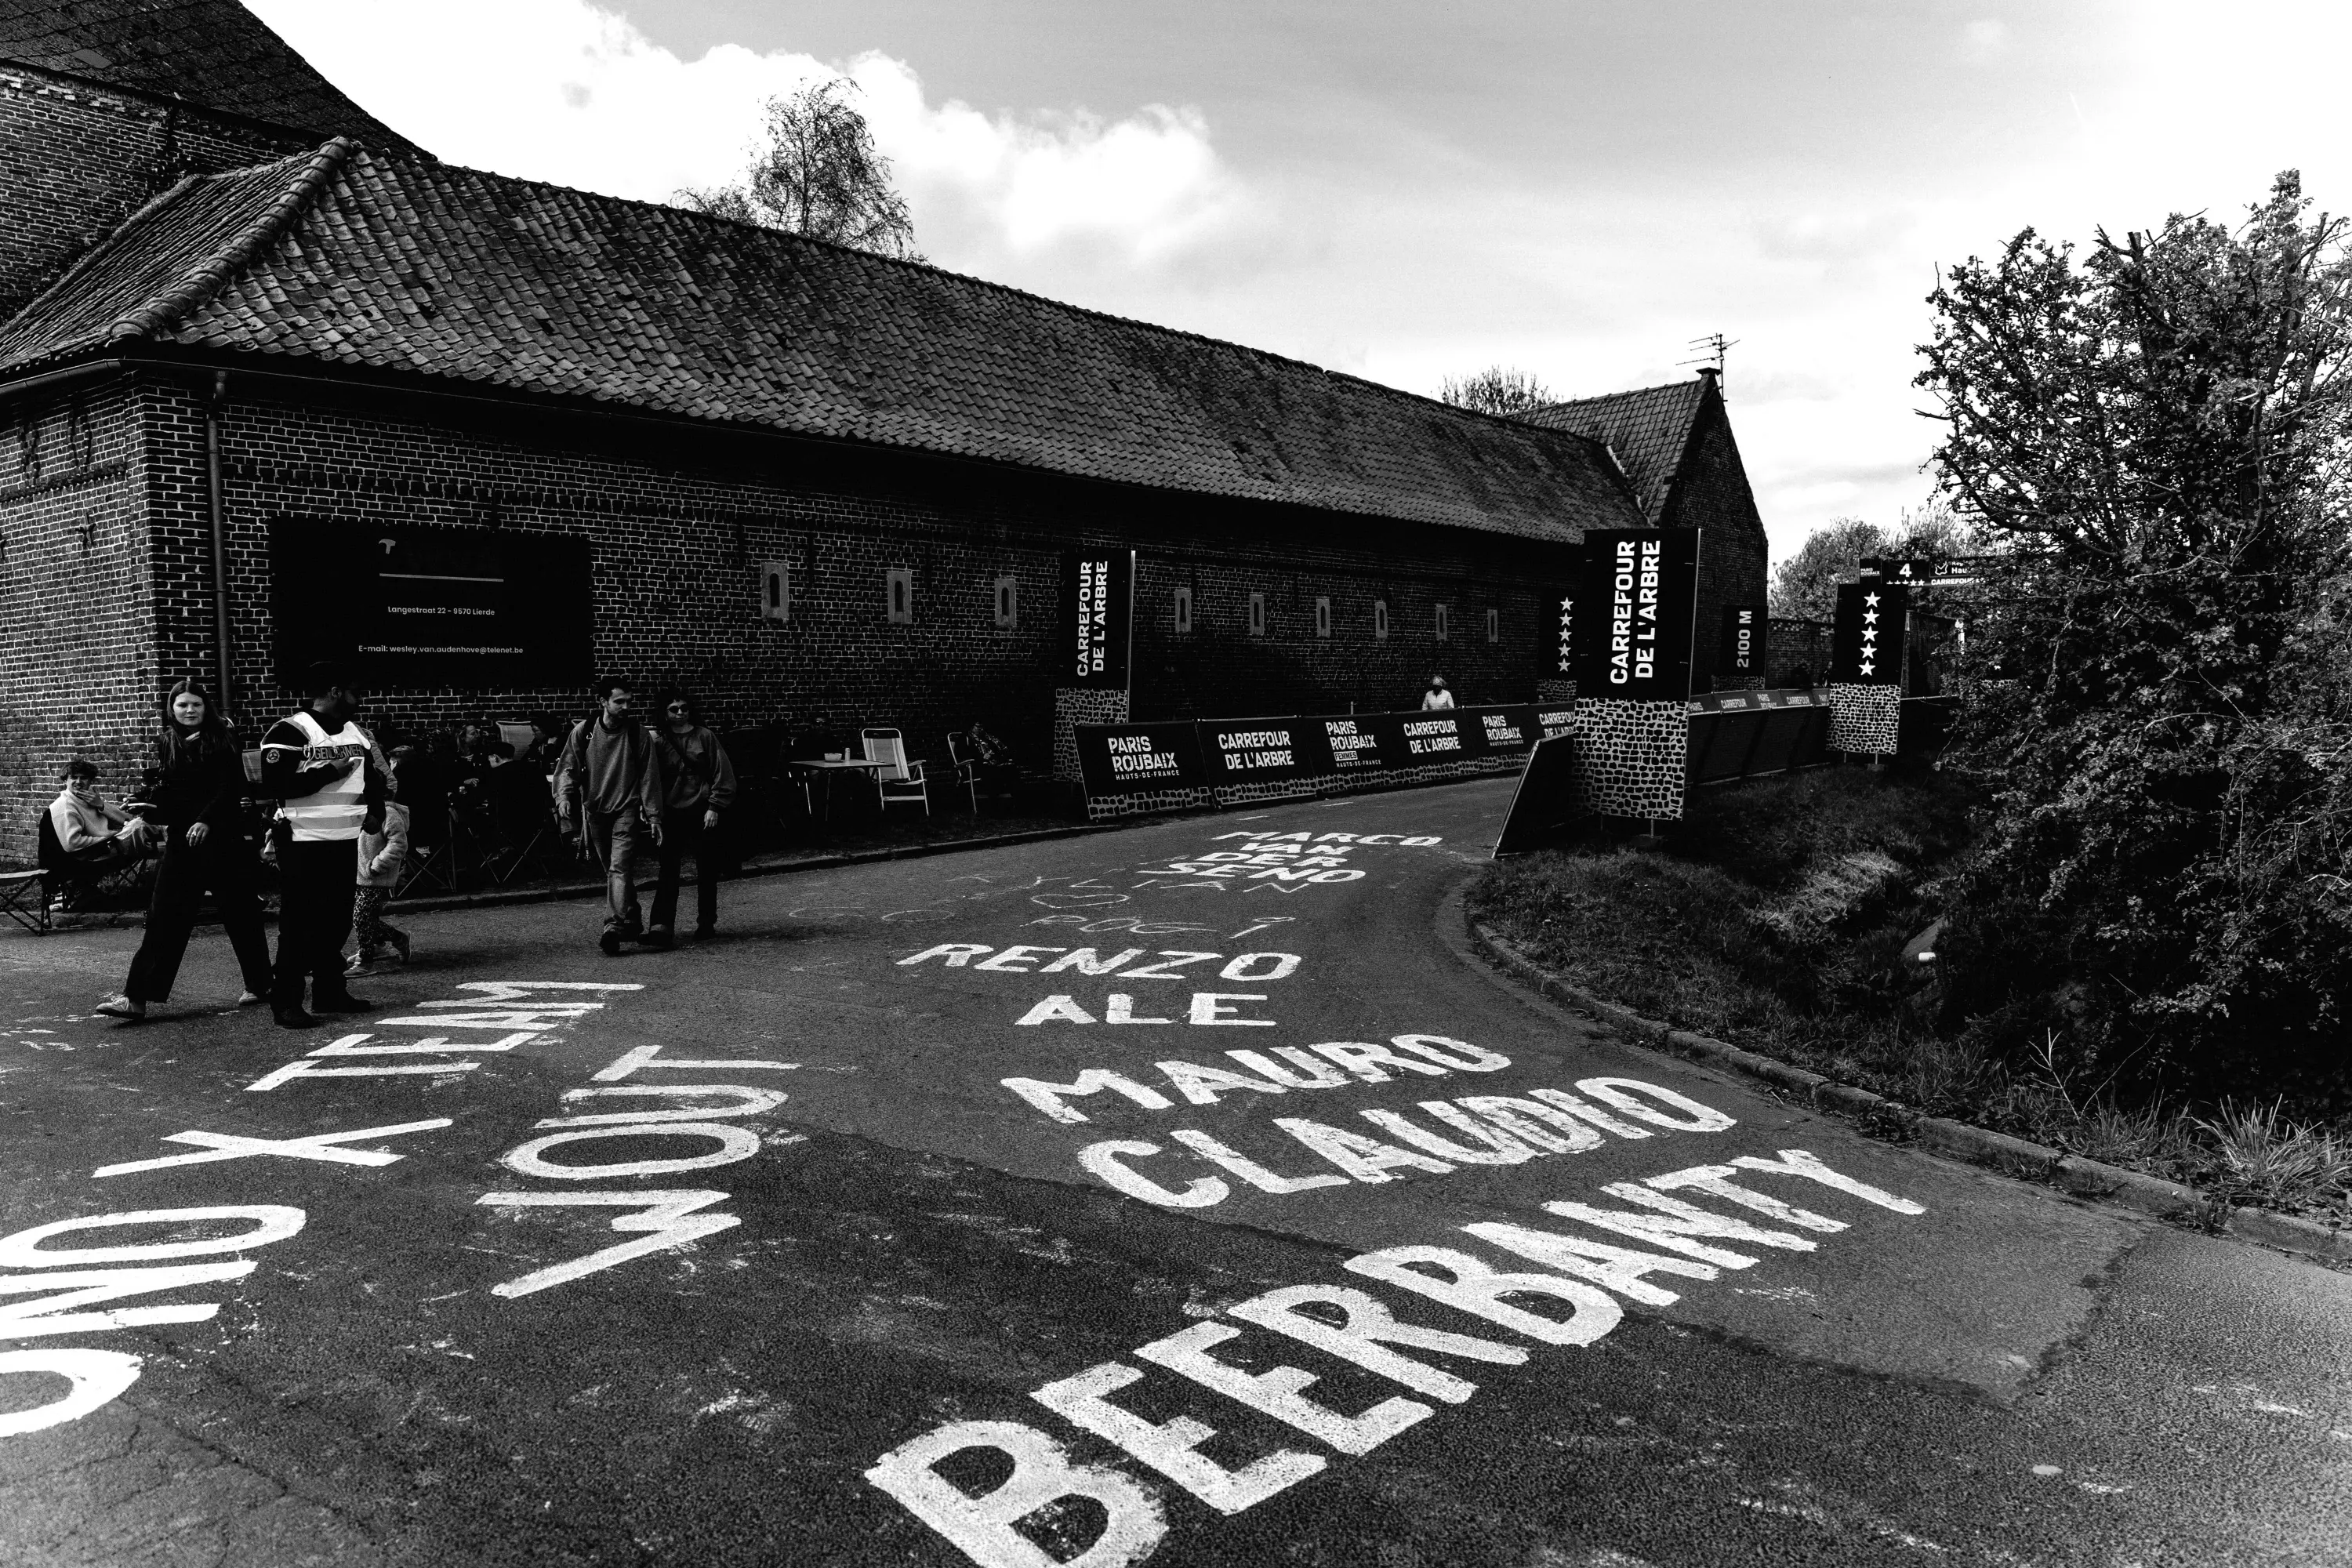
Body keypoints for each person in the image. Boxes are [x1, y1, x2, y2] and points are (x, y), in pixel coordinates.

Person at [94, 681, 273, 1021]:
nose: (189, 711)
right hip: (183, 841)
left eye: (196, 705)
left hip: (223, 839)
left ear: (207, 708)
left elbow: (230, 786)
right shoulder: (169, 742)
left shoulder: (223, 738)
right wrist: (151, 805)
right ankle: (136, 999)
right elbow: (177, 793)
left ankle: (261, 984)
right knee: (164, 916)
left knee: (241, 914)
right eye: (182, 706)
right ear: (172, 709)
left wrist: (206, 820)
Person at [260, 663, 386, 1029]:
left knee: (334, 922)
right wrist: (332, 770)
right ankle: (286, 1001)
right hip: (302, 842)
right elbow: (277, 785)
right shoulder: (290, 730)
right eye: (354, 692)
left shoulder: (355, 733)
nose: (359, 700)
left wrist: (375, 810)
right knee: (299, 925)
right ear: (334, 691)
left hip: (345, 839)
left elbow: (372, 777)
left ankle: (330, 991)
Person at [554, 676, 664, 956]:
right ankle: (633, 916)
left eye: (629, 701)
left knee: (619, 868)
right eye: (619, 701)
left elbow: (649, 777)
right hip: (595, 811)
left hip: (626, 809)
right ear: (603, 702)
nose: (626, 706)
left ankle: (612, 927)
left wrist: (653, 816)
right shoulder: (586, 731)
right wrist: (563, 796)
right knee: (612, 871)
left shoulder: (637, 734)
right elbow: (569, 765)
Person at [646, 688, 739, 947]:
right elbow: (650, 778)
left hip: (702, 809)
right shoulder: (659, 741)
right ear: (664, 712)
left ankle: (706, 921)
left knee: (706, 868)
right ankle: (661, 926)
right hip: (672, 811)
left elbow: (723, 773)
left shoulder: (705, 736)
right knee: (668, 870)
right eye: (673, 709)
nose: (680, 713)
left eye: (684, 708)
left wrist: (715, 806)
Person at [347, 751, 414, 975]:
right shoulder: (358, 810)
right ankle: (392, 939)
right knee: (362, 916)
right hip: (357, 873)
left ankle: (366, 960)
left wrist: (376, 866)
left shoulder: (388, 812)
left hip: (374, 876)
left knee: (363, 917)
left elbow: (398, 844)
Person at [49, 760, 151, 869]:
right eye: (73, 778)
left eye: (83, 778)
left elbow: (127, 818)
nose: (78, 782)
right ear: (65, 781)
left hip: (108, 847)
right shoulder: (64, 805)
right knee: (140, 827)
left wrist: (101, 805)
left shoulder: (91, 798)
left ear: (90, 781)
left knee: (140, 823)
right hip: (91, 856)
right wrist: (109, 840)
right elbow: (72, 844)